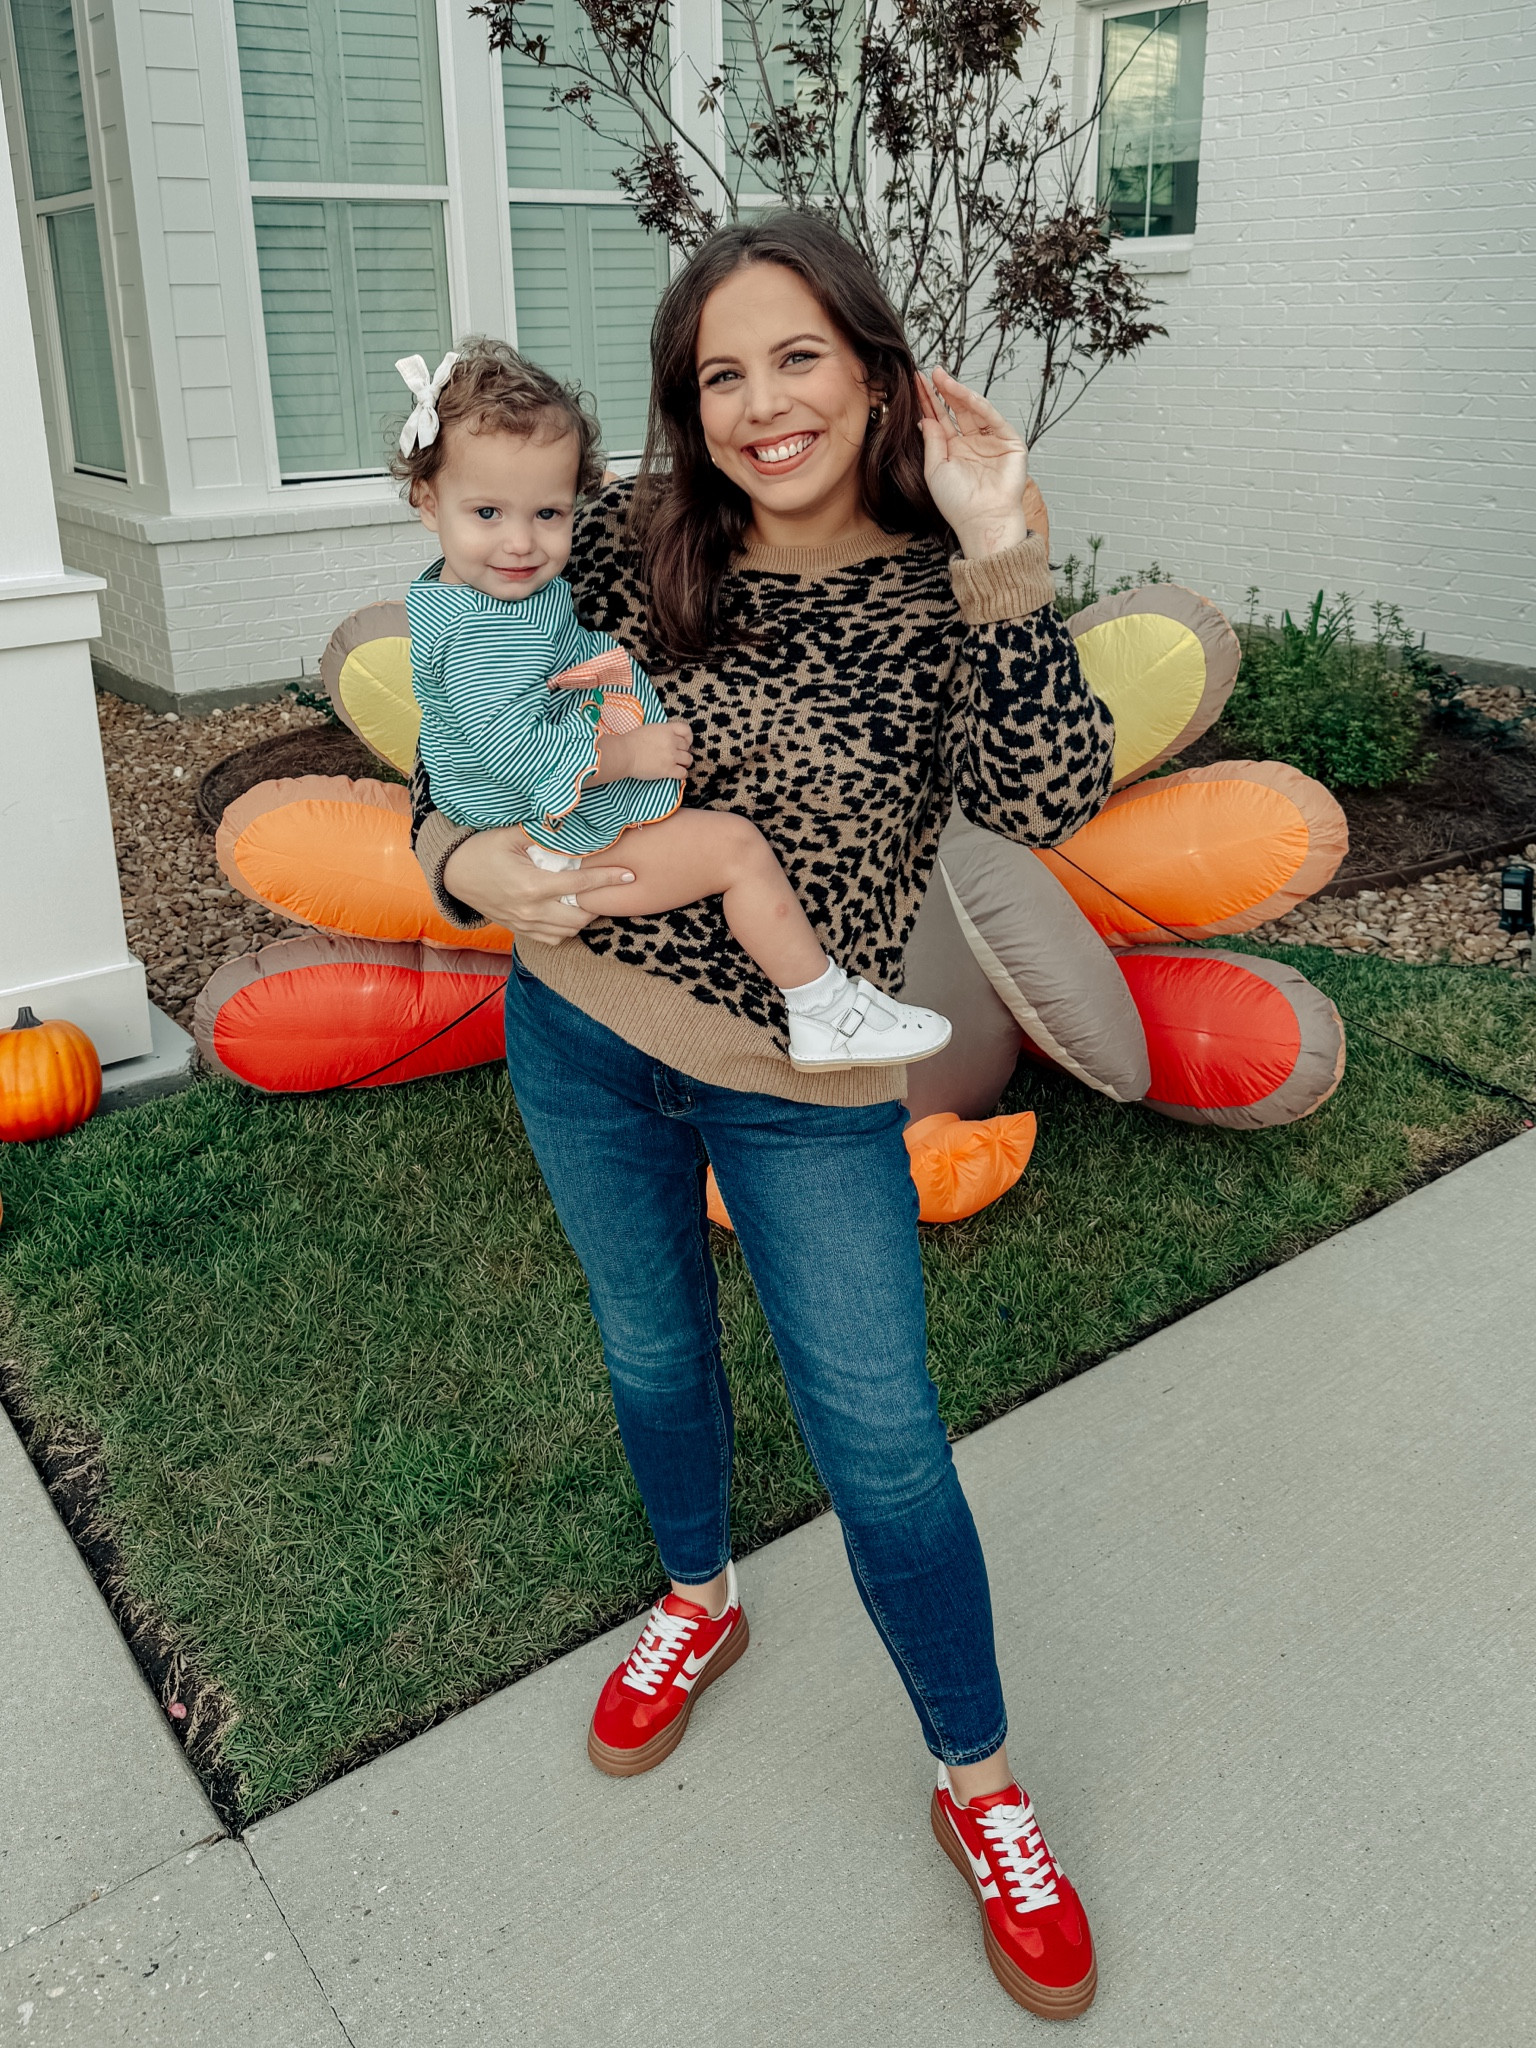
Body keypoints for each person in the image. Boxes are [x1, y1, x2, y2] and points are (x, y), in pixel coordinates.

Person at [410, 212, 1115, 2020]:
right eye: (720, 371)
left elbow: (1037, 787)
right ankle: (698, 1591)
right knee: (652, 1354)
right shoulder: (638, 549)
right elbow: (461, 754)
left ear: (870, 367)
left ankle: (981, 1784)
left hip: (809, 1093)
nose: (758, 402)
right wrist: (474, 858)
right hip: (577, 1033)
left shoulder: (943, 588)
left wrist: (1007, 545)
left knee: (883, 1443)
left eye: (794, 355)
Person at [393, 341, 951, 1072]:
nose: (521, 542)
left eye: (549, 512)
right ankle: (823, 1008)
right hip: (550, 836)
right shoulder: (486, 629)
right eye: (488, 511)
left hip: (539, 831)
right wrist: (626, 755)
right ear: (427, 503)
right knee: (735, 851)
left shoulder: (478, 590)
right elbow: (508, 747)